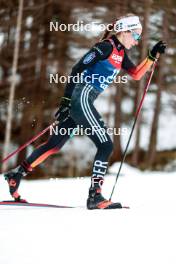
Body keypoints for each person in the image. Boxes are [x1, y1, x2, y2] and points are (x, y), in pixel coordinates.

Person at [4, 14, 166, 209]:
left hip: (84, 100)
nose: (137, 41)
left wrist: (151, 56)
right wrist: (66, 101)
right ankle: (95, 196)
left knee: (54, 145)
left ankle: (17, 174)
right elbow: (77, 68)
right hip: (81, 97)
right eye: (136, 36)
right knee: (106, 145)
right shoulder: (105, 47)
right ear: (124, 32)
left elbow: (137, 74)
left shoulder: (121, 53)